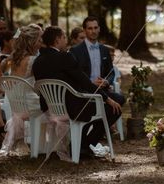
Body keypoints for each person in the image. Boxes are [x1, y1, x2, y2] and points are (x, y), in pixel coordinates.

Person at [33, 26, 122, 157]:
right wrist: (107, 99)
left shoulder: (37, 61)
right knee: (116, 105)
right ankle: (84, 144)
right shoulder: (64, 57)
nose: (65, 40)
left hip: (50, 108)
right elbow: (84, 82)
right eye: (64, 37)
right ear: (57, 40)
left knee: (110, 102)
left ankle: (81, 145)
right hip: (72, 108)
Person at [0, 24, 44, 155]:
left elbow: (3, 74)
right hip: (30, 105)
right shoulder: (33, 60)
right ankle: (47, 144)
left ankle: (27, 143)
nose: (42, 42)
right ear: (32, 41)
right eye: (40, 39)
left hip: (15, 103)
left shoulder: (12, 59)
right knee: (54, 106)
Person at [70, 16, 125, 105]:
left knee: (120, 99)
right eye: (90, 28)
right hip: (84, 91)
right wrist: (90, 83)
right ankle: (99, 117)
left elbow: (111, 72)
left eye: (96, 28)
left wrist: (106, 81)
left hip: (102, 91)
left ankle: (101, 117)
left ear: (99, 29)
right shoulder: (75, 51)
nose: (94, 31)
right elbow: (75, 75)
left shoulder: (104, 49)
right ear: (84, 30)